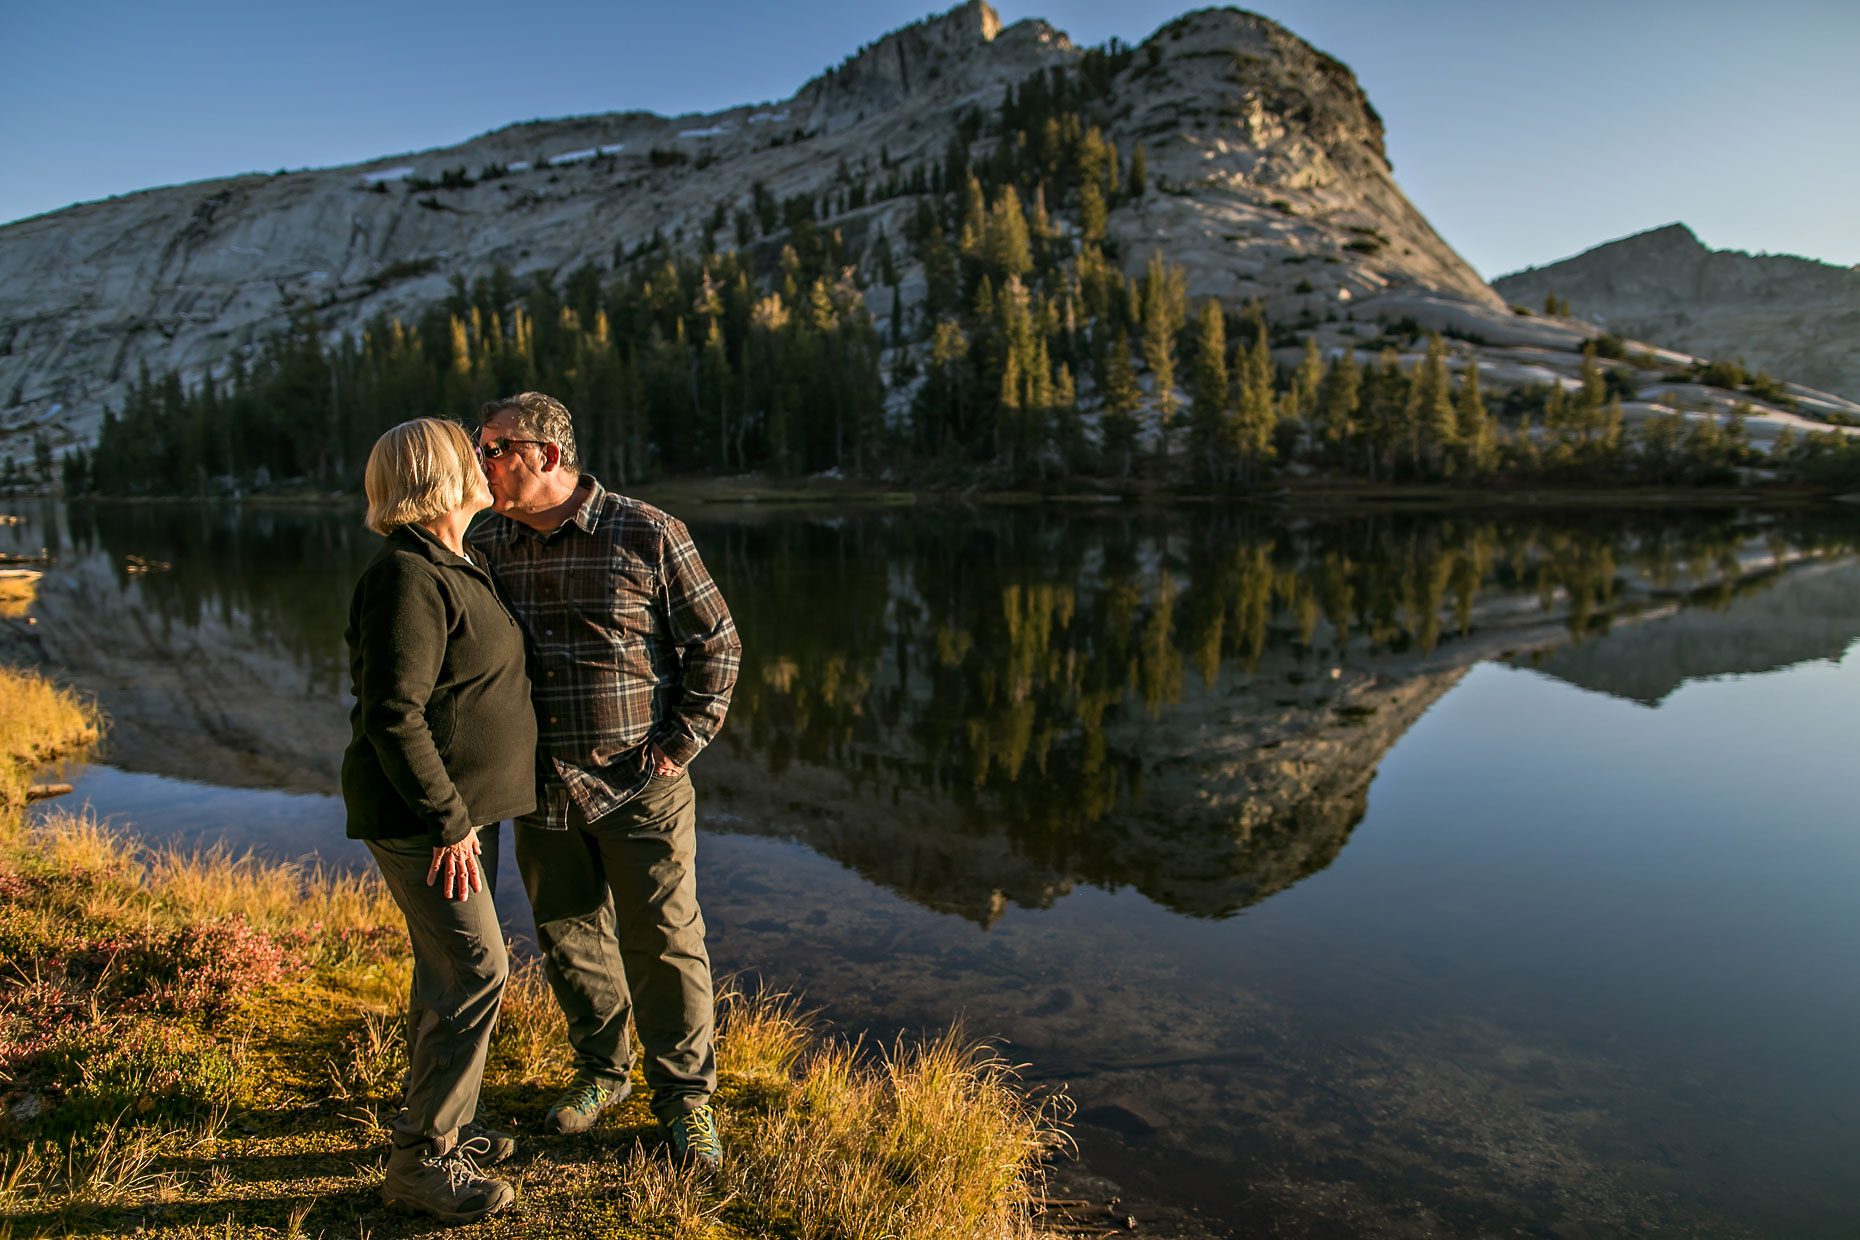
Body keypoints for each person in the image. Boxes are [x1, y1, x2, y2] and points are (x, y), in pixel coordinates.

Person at [470, 391, 740, 1171]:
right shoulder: (487, 540)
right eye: (479, 448)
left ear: (546, 454)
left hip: (638, 786)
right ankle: (602, 1072)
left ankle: (686, 1101)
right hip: (540, 788)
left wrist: (677, 746)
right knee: (568, 934)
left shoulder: (648, 532)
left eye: (495, 449)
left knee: (665, 941)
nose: (481, 463)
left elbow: (716, 645)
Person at [341, 417, 537, 1222]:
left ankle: (443, 1128)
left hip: (461, 814)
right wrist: (449, 822)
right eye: (474, 454)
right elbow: (393, 713)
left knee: (445, 975)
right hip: (429, 820)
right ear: (440, 474)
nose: (487, 464)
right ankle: (421, 1166)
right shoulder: (407, 577)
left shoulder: (456, 561)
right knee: (476, 972)